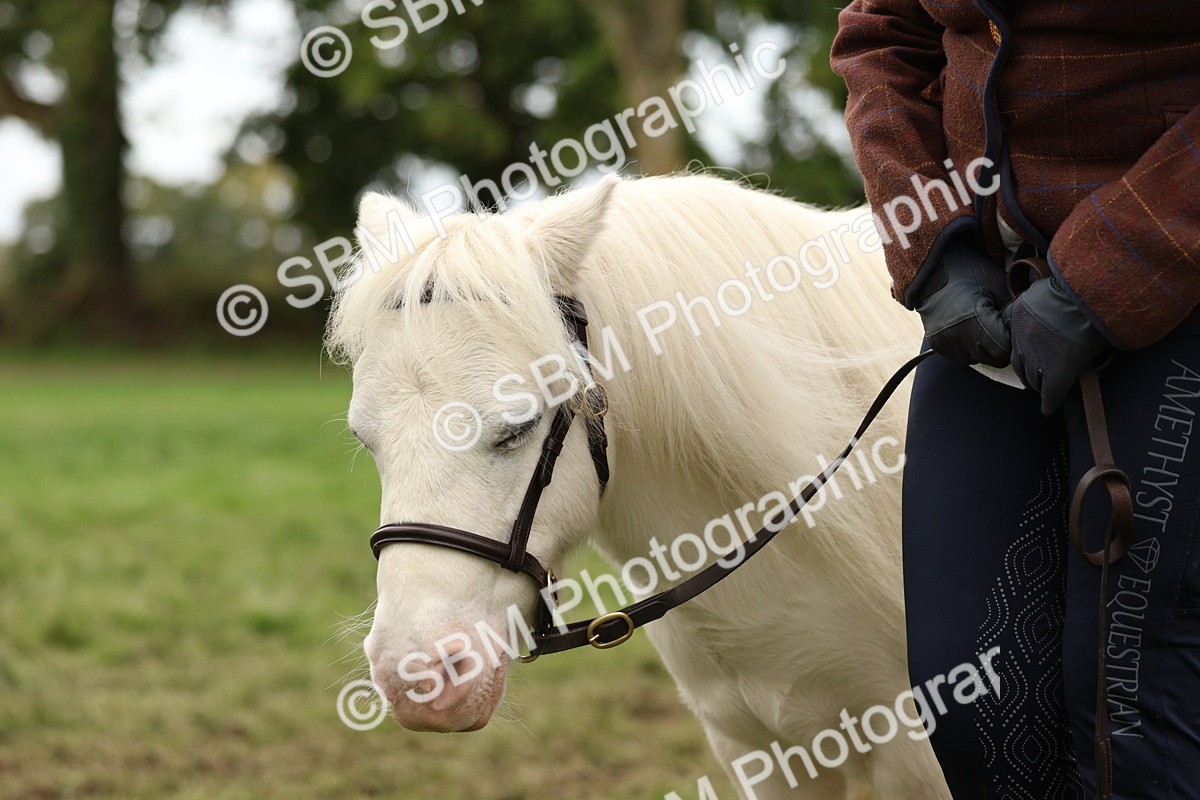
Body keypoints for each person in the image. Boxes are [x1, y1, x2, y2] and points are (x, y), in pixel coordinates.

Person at [830, 3, 1200, 797]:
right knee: (971, 698)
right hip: (993, 307)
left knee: (1130, 708)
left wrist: (1111, 276)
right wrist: (933, 248)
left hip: (1182, 294)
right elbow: (883, 34)